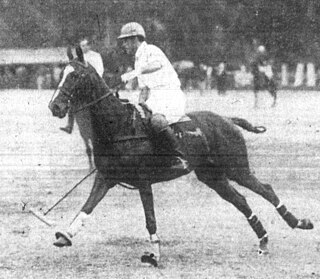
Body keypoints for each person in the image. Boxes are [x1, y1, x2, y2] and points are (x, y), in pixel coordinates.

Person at [118, 22, 189, 170]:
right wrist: (139, 104)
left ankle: (179, 157)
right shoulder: (137, 60)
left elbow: (157, 65)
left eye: (125, 41)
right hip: (155, 97)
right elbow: (144, 89)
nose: (123, 45)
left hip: (170, 95)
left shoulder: (151, 50)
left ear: (135, 39)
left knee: (156, 121)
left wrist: (134, 73)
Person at [60, 37, 104, 134]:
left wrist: (94, 79)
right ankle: (69, 125)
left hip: (94, 82)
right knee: (73, 98)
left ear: (89, 46)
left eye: (85, 45)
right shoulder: (79, 58)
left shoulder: (96, 56)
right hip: (83, 83)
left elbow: (100, 70)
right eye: (81, 46)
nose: (83, 47)